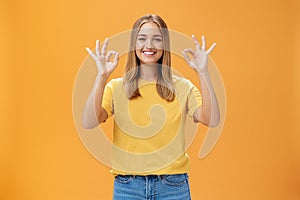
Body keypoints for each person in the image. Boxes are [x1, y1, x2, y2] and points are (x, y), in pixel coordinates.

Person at [82, 14, 220, 200]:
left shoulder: (183, 87)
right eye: (142, 38)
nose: (149, 45)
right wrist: (101, 77)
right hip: (128, 188)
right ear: (134, 45)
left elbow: (212, 120)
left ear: (165, 45)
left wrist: (203, 72)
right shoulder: (116, 88)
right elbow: (89, 122)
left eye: (157, 39)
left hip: (173, 187)